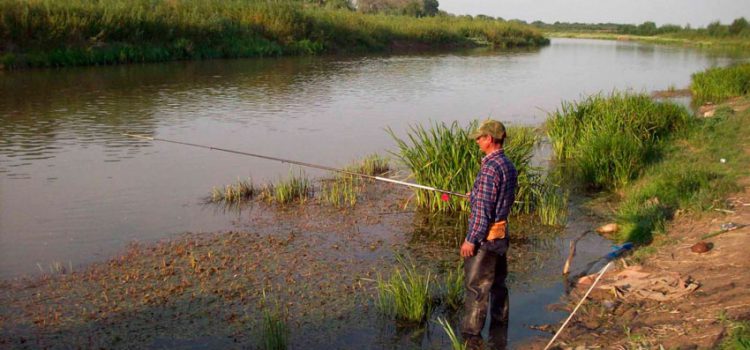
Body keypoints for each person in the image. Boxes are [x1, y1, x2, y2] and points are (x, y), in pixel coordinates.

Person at [460, 119, 518, 348]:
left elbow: (483, 213)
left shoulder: (490, 167)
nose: (477, 141)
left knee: (476, 289)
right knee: (498, 285)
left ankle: (471, 338)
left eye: (480, 137)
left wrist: (470, 240)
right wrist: (474, 194)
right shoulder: (508, 164)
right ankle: (500, 330)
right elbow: (501, 198)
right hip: (501, 234)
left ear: (490, 139)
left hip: (485, 239)